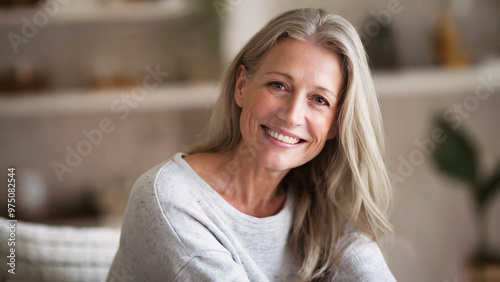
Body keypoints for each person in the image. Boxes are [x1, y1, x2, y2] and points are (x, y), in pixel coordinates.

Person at [108, 8, 396, 282]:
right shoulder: (171, 201)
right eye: (278, 85)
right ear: (242, 86)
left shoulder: (326, 210)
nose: (292, 115)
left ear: (336, 124)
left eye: (319, 100)